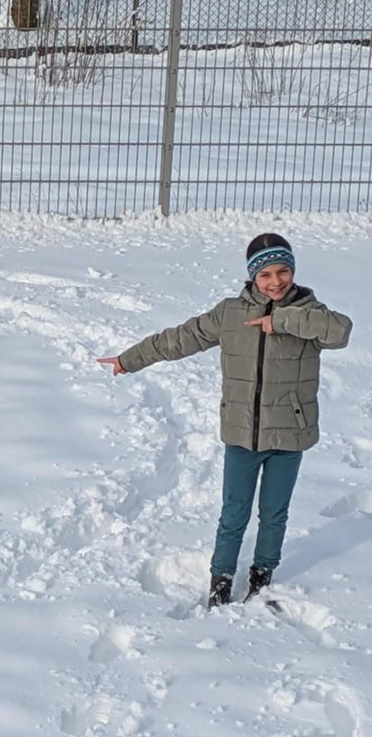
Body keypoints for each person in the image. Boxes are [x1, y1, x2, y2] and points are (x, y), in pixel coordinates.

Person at [97, 233, 351, 608]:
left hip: (290, 435)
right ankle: (221, 580)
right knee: (233, 514)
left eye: (283, 271)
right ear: (252, 277)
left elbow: (340, 331)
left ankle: (262, 574)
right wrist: (128, 359)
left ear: (293, 271)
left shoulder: (310, 313)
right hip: (242, 433)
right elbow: (180, 338)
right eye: (265, 274)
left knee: (274, 513)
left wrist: (280, 320)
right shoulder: (231, 313)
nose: (276, 281)